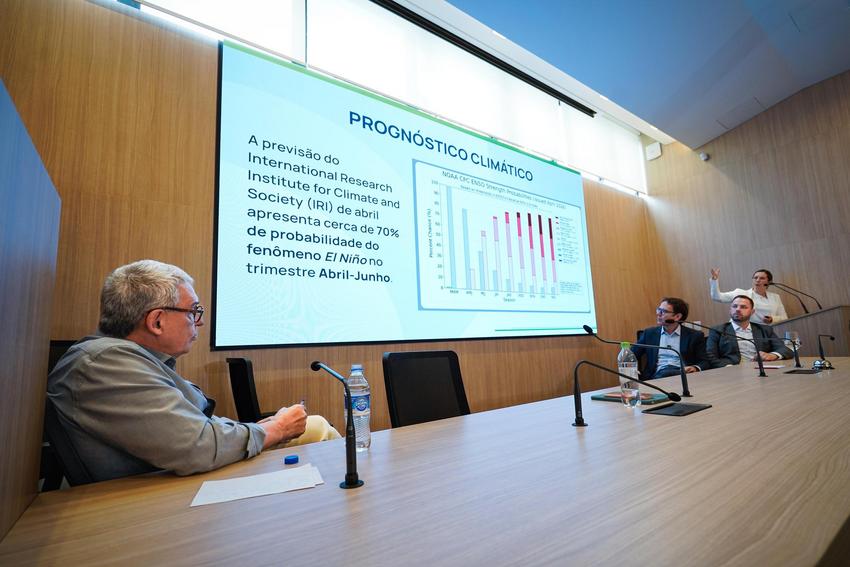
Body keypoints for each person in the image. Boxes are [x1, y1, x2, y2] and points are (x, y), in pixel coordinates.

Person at [47, 260, 340, 483]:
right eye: (193, 312)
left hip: (175, 475)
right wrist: (276, 429)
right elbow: (196, 445)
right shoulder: (105, 364)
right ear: (157, 321)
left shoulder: (129, 360)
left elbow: (190, 428)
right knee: (315, 429)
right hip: (153, 494)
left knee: (313, 426)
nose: (198, 322)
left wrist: (263, 428)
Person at [632, 297, 709, 379]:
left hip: (684, 376)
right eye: (658, 310)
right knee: (664, 373)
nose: (658, 314)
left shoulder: (694, 336)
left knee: (669, 373)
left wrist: (695, 368)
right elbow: (631, 355)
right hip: (657, 377)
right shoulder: (649, 334)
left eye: (663, 311)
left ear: (677, 316)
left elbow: (704, 362)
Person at [706, 295, 792, 368]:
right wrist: (729, 368)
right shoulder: (717, 330)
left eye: (743, 307)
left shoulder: (764, 329)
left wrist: (773, 355)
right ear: (730, 310)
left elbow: (785, 350)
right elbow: (710, 356)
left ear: (752, 312)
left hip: (762, 369)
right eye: (734, 306)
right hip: (732, 372)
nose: (738, 309)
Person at [708, 267, 787, 324]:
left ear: (769, 282)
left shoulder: (775, 297)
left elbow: (784, 317)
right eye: (755, 278)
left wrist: (772, 319)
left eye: (762, 278)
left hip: (767, 331)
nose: (758, 280)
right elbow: (717, 297)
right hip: (745, 330)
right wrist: (715, 280)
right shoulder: (740, 293)